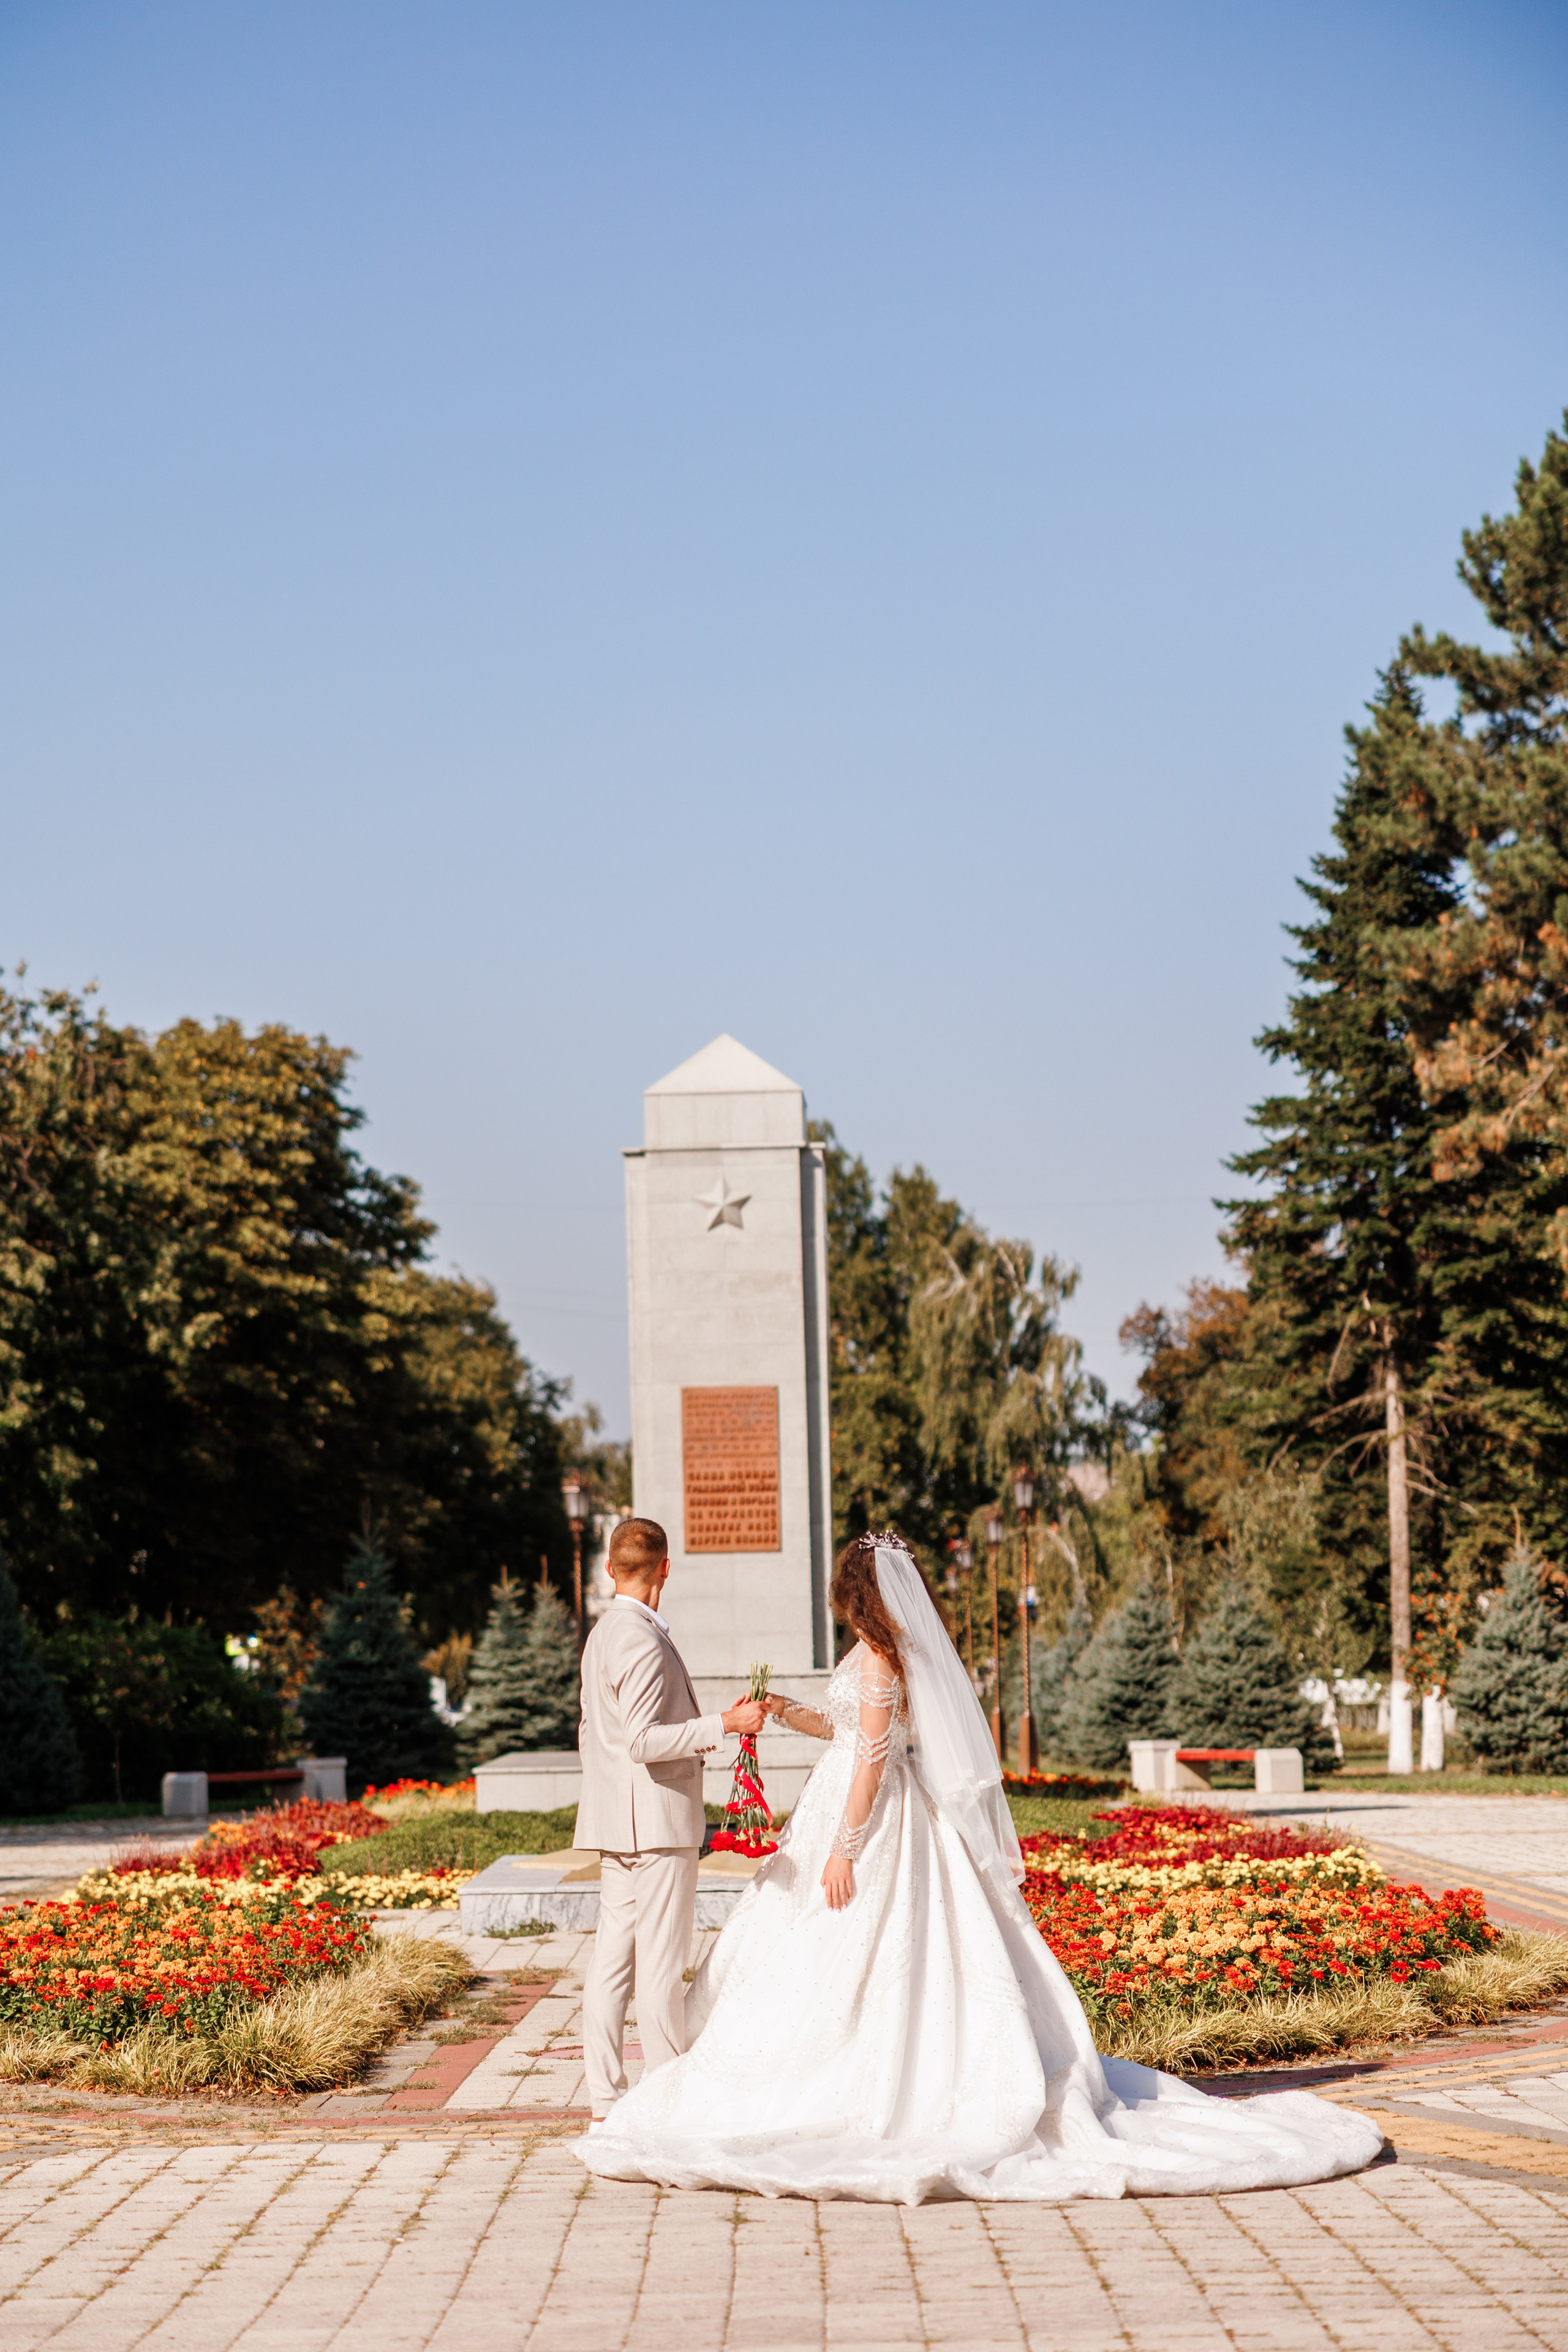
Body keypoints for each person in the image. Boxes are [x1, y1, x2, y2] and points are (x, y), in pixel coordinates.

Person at [576, 1529, 1384, 2203]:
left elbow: (872, 1761)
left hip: (874, 1825)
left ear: (856, 1597)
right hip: (850, 1805)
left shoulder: (885, 1661)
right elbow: (853, 1733)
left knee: (863, 1952)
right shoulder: (873, 1653)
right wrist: (789, 1714)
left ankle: (846, 2084)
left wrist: (843, 1851)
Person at [575, 1514, 767, 2122]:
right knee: (658, 1965)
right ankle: (665, 2093)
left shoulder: (603, 1634)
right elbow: (641, 1740)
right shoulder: (638, 1638)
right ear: (664, 1568)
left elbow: (592, 1733)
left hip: (618, 1820)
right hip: (653, 1826)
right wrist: (724, 1726)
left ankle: (607, 2096)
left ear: (609, 1570)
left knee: (612, 1962)